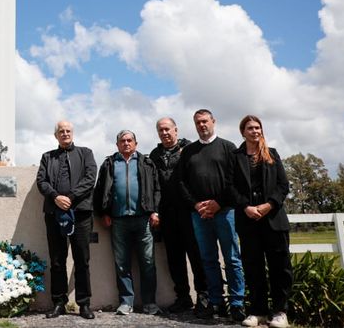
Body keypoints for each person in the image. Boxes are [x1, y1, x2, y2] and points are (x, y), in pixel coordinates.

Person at [176, 109, 245, 321]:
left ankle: (237, 303)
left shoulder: (228, 148)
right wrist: (197, 205)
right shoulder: (188, 152)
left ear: (213, 121)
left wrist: (218, 203)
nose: (202, 125)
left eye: (205, 121)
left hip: (224, 212)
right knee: (208, 260)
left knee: (232, 258)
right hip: (199, 215)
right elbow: (181, 182)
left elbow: (235, 181)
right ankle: (216, 303)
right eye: (198, 123)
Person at [232, 115, 292, 328]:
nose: (254, 131)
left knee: (280, 268)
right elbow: (231, 187)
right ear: (243, 132)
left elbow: (283, 185)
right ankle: (258, 312)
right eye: (250, 128)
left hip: (274, 221)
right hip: (248, 222)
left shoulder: (272, 154)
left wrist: (269, 205)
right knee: (253, 267)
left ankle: (279, 312)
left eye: (257, 128)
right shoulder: (235, 156)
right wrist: (246, 207)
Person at [93, 130, 162, 316]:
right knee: (122, 263)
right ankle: (125, 302)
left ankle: (149, 303)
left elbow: (156, 188)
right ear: (117, 145)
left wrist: (155, 211)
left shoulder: (146, 162)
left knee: (147, 263)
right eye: (122, 141)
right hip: (118, 220)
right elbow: (100, 189)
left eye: (129, 140)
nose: (126, 143)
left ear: (136, 143)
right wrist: (103, 213)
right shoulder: (109, 163)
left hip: (143, 219)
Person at [36, 121, 97, 320]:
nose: (65, 134)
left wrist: (70, 197)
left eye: (68, 131)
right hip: (54, 214)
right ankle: (59, 303)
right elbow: (41, 181)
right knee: (57, 261)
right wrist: (56, 197)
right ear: (56, 136)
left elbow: (90, 178)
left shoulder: (85, 153)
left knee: (82, 260)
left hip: (80, 213)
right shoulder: (47, 157)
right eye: (61, 131)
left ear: (73, 133)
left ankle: (84, 304)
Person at [149, 117, 208, 314]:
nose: (164, 133)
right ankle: (183, 297)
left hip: (189, 211)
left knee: (196, 256)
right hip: (167, 213)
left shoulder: (190, 149)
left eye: (167, 129)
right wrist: (155, 210)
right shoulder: (155, 154)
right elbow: (154, 186)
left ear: (176, 130)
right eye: (160, 130)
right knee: (174, 259)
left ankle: (204, 297)